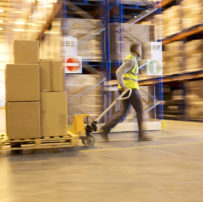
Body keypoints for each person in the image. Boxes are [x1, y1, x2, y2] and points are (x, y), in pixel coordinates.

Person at [100, 43, 151, 141]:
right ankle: (142, 135)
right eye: (140, 49)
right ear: (136, 50)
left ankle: (105, 129)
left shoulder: (134, 60)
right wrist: (123, 86)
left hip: (128, 89)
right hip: (130, 89)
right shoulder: (131, 60)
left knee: (123, 112)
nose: (141, 51)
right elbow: (119, 72)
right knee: (140, 110)